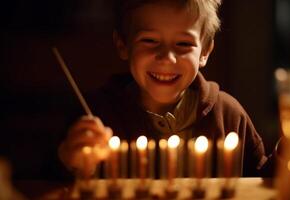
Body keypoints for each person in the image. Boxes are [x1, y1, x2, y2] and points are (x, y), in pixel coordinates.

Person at [58, 0, 272, 179]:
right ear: (123, 44)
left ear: (205, 51)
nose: (167, 58)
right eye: (150, 40)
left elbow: (261, 182)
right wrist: (72, 163)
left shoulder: (228, 116)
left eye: (183, 44)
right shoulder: (95, 114)